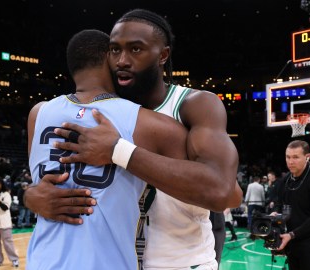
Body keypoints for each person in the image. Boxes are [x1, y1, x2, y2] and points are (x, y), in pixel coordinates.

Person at [34, 9, 242, 269]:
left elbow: (225, 193)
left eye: (135, 49)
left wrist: (118, 150)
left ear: (162, 55)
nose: (121, 60)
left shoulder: (194, 104)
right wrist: (32, 196)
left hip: (180, 263)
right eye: (114, 50)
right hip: (118, 262)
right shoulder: (103, 111)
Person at [26, 29, 190, 270]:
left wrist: (27, 194)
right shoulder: (148, 123)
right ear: (109, 59)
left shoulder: (38, 113)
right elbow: (208, 186)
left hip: (42, 261)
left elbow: (37, 182)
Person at [274, 140, 310, 270]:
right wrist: (275, 214)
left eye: (295, 157)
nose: (290, 161)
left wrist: (292, 234)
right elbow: (279, 205)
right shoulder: (284, 181)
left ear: (307, 157)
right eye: (288, 157)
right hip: (292, 245)